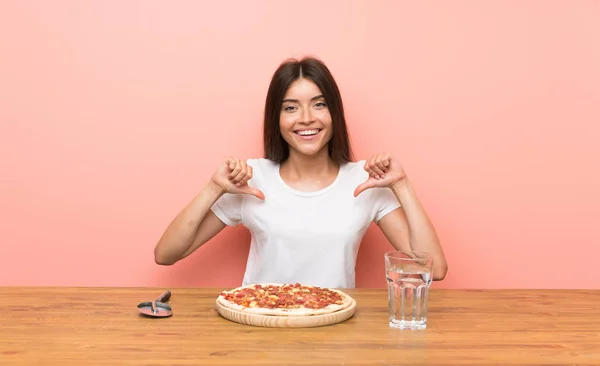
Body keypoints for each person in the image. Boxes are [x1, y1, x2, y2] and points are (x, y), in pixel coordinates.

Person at [154, 56, 448, 288]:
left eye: (319, 105)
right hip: (260, 328)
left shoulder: (365, 181)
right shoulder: (251, 178)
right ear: (276, 118)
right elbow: (166, 254)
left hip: (335, 333)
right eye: (291, 108)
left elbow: (433, 268)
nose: (306, 119)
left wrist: (402, 185)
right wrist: (213, 189)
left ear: (334, 112)